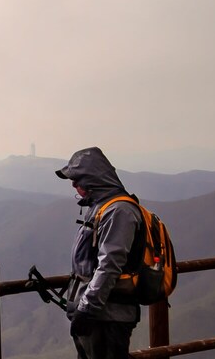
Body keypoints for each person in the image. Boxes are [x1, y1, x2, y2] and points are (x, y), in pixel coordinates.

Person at [56, 147, 141, 359]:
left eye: (77, 179)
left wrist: (87, 309)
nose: (74, 185)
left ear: (93, 178)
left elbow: (109, 265)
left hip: (107, 315)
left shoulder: (119, 211)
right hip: (96, 312)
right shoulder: (101, 207)